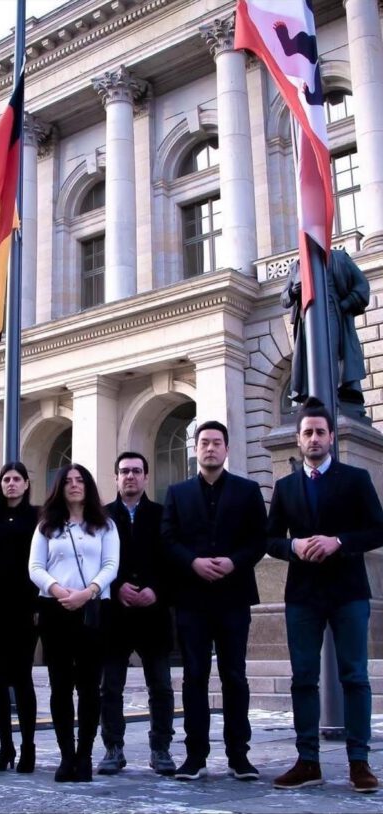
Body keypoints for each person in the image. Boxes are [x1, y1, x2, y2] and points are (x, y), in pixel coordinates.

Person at [267, 398, 383, 794]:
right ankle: (308, 760)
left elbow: (378, 530)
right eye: (307, 433)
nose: (314, 438)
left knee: (355, 676)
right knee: (303, 677)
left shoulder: (356, 479)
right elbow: (270, 539)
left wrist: (339, 541)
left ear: (331, 437)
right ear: (298, 441)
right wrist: (294, 547)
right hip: (302, 595)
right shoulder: (284, 487)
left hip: (349, 591)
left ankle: (359, 761)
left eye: (320, 432)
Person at [162, 421, 266, 782]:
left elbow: (260, 539)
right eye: (204, 442)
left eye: (216, 443)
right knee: (194, 677)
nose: (210, 448)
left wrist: (234, 561)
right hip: (192, 599)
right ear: (195, 448)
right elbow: (168, 538)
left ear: (226, 449)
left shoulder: (248, 490)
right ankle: (195, 756)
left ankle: (239, 756)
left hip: (234, 596)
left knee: (234, 676)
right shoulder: (177, 492)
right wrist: (192, 561)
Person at [29, 463, 119, 783]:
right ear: (59, 487)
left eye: (80, 480)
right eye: (68, 481)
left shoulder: (104, 524)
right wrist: (57, 590)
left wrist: (88, 592)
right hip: (55, 610)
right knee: (60, 686)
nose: (74, 485)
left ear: (88, 486)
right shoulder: (46, 526)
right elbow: (35, 567)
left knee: (90, 687)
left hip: (92, 610)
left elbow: (111, 565)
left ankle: (85, 755)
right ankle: (66, 755)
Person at [97, 452, 176, 777]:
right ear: (116, 478)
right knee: (110, 687)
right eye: (124, 472)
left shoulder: (163, 515)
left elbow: (172, 560)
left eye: (136, 471)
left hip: (154, 614)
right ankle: (113, 749)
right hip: (114, 616)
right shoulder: (101, 517)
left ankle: (161, 750)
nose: (130, 477)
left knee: (160, 686)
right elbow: (93, 562)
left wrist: (156, 590)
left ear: (145, 477)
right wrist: (116, 589)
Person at [0, 462, 39, 773]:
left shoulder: (38, 517)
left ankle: (28, 746)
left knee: (23, 680)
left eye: (17, 479)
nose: (11, 484)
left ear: (27, 484)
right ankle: (6, 747)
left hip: (25, 612)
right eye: (6, 479)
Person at [281, 249, 369, 415]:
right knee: (310, 360)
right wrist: (293, 291)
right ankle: (314, 402)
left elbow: (362, 285)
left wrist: (345, 305)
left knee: (330, 355)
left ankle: (331, 399)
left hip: (332, 313)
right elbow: (284, 299)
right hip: (307, 318)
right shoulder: (296, 266)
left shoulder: (340, 258)